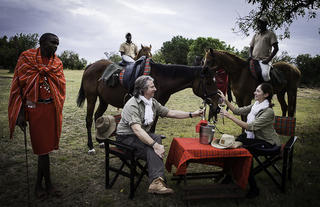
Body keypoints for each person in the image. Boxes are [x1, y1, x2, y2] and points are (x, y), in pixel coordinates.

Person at [116, 75, 204, 194]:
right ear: (143, 90)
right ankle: (157, 182)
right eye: (152, 87)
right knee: (153, 147)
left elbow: (170, 112)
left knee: (156, 139)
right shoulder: (133, 105)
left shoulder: (151, 103)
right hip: (125, 138)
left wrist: (192, 114)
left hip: (139, 135)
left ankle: (156, 181)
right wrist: (154, 145)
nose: (155, 89)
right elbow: (137, 130)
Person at [8, 33, 66, 199]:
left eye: (57, 44)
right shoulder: (26, 58)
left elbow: (60, 86)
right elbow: (18, 87)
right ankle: (43, 185)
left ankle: (44, 185)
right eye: (52, 43)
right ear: (41, 43)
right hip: (35, 109)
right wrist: (20, 114)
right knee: (43, 150)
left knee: (45, 150)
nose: (55, 47)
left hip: (51, 109)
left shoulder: (57, 63)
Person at [218, 83, 280, 198]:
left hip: (268, 143)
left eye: (258, 91)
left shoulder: (268, 111)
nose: (254, 93)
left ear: (266, 95)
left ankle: (254, 188)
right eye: (255, 90)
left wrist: (229, 116)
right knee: (232, 144)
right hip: (254, 138)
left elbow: (249, 127)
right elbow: (237, 110)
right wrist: (226, 100)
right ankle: (229, 176)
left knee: (245, 153)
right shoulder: (256, 105)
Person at [249, 16, 279, 81]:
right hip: (254, 60)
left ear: (265, 24)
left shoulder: (271, 34)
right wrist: (250, 56)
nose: (259, 25)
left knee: (265, 75)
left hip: (264, 60)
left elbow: (276, 48)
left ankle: (268, 90)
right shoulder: (256, 34)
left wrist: (268, 59)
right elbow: (251, 47)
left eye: (261, 23)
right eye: (258, 23)